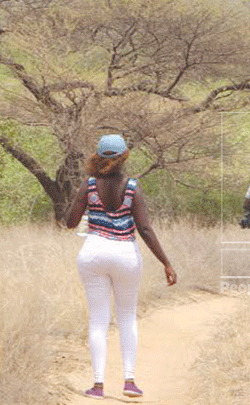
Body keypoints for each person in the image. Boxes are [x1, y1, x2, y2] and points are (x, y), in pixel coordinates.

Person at [66, 134, 177, 400]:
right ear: (124, 156)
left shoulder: (89, 185)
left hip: (93, 253)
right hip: (125, 254)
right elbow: (145, 229)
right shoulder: (132, 187)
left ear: (98, 156)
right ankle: (129, 381)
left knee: (98, 321)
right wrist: (166, 262)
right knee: (127, 318)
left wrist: (83, 201)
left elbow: (70, 222)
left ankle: (98, 385)